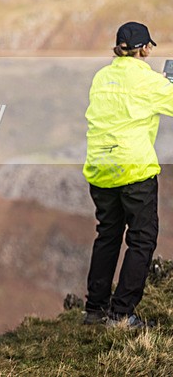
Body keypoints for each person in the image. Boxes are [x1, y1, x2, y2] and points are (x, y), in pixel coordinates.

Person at [82, 21, 173, 327]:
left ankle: (94, 309)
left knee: (107, 235)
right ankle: (122, 314)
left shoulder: (101, 77)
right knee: (142, 239)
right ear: (145, 48)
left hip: (100, 168)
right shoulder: (147, 81)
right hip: (134, 170)